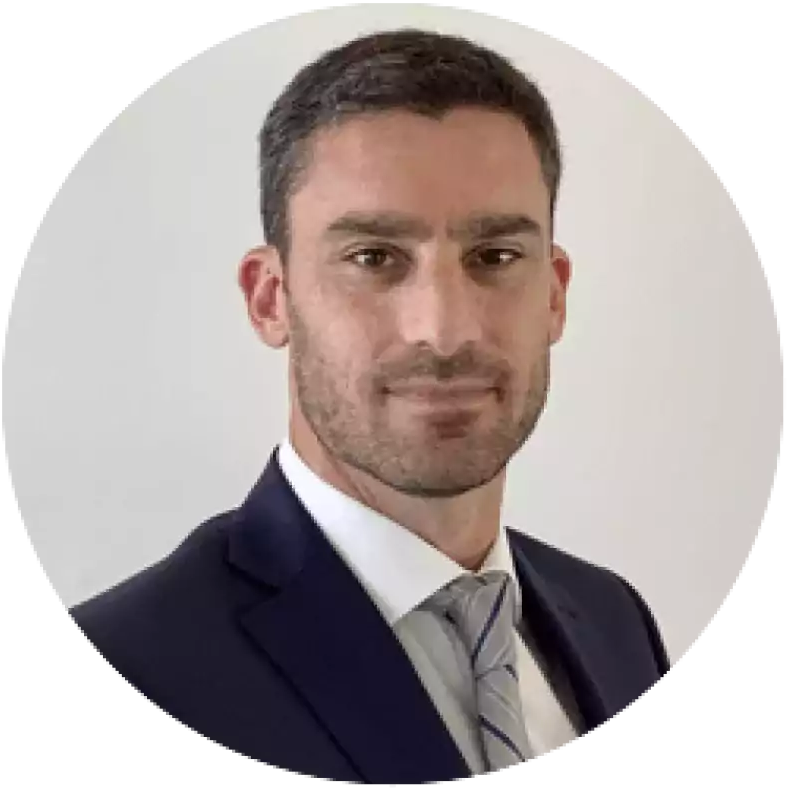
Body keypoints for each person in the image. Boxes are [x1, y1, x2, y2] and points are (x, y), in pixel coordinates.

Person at [67, 28, 670, 788]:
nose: (444, 330)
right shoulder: (132, 666)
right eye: (374, 259)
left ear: (553, 294)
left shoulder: (614, 621)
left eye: (494, 258)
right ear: (270, 298)